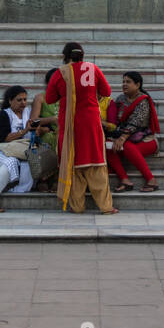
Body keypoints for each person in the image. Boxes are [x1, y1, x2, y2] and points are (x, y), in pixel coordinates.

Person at [44, 42, 117, 214]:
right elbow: (106, 91)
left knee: (73, 163)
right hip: (91, 122)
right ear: (82, 55)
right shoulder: (93, 68)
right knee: (96, 162)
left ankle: (77, 206)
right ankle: (106, 207)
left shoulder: (60, 73)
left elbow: (49, 99)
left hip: (70, 124)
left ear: (65, 55)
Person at [105, 72, 161, 192]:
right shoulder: (120, 99)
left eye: (128, 82)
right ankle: (125, 180)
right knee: (108, 146)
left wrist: (121, 139)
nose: (124, 84)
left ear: (137, 85)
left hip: (146, 140)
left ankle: (151, 180)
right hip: (125, 138)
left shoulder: (143, 100)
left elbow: (135, 122)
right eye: (123, 81)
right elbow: (114, 120)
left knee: (127, 147)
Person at [0, 85, 35, 213]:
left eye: (25, 99)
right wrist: (24, 131)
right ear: (10, 101)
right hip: (0, 153)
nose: (23, 103)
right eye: (19, 100)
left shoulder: (29, 112)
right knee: (11, 162)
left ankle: (12, 184)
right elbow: (4, 138)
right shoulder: (4, 114)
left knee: (20, 161)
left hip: (21, 152)